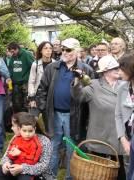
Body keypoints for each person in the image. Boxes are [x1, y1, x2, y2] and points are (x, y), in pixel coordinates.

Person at [36, 38, 94, 180]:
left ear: (77, 51)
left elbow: (91, 95)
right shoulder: (52, 67)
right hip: (54, 114)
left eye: (68, 49)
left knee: (71, 148)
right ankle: (51, 176)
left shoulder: (86, 70)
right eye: (63, 49)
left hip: (74, 116)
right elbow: (42, 89)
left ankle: (70, 177)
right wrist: (44, 109)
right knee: (53, 145)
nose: (65, 52)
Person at [72, 55, 126, 180]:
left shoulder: (125, 85)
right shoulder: (94, 85)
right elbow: (78, 96)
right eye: (114, 68)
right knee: (99, 175)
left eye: (118, 67)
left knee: (120, 174)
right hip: (100, 140)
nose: (118, 69)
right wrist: (77, 81)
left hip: (120, 139)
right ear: (105, 72)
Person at [0, 112, 52, 180]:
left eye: (13, 125)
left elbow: (43, 166)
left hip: (38, 174)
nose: (12, 128)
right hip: (14, 168)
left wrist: (22, 168)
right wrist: (5, 164)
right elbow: (7, 155)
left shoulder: (44, 141)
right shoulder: (16, 138)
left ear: (20, 127)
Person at [115, 53, 134, 179]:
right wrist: (123, 139)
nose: (118, 73)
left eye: (121, 69)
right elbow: (118, 115)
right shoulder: (122, 88)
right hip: (128, 137)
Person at [28, 41, 55, 113]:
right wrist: (32, 99)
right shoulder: (35, 64)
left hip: (51, 97)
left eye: (50, 48)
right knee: (33, 120)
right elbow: (31, 82)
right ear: (41, 51)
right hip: (37, 96)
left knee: (49, 122)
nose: (48, 50)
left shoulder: (55, 64)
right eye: (45, 48)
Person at [7, 42, 34, 112]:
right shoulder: (13, 57)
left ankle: (27, 120)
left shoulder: (26, 54)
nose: (12, 53)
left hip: (25, 82)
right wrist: (9, 77)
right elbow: (10, 69)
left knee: (26, 103)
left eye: (13, 51)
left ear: (17, 49)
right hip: (15, 83)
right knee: (17, 103)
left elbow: (34, 67)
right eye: (11, 52)